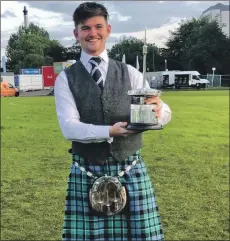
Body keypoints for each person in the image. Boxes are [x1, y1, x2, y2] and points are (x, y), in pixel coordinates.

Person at [54, 2, 172, 241]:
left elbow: (165, 113)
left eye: (98, 26)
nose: (92, 33)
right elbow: (69, 126)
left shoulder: (130, 72)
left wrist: (159, 110)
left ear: (108, 29)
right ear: (76, 34)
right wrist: (109, 130)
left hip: (129, 167)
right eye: (85, 28)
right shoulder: (65, 79)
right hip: (86, 168)